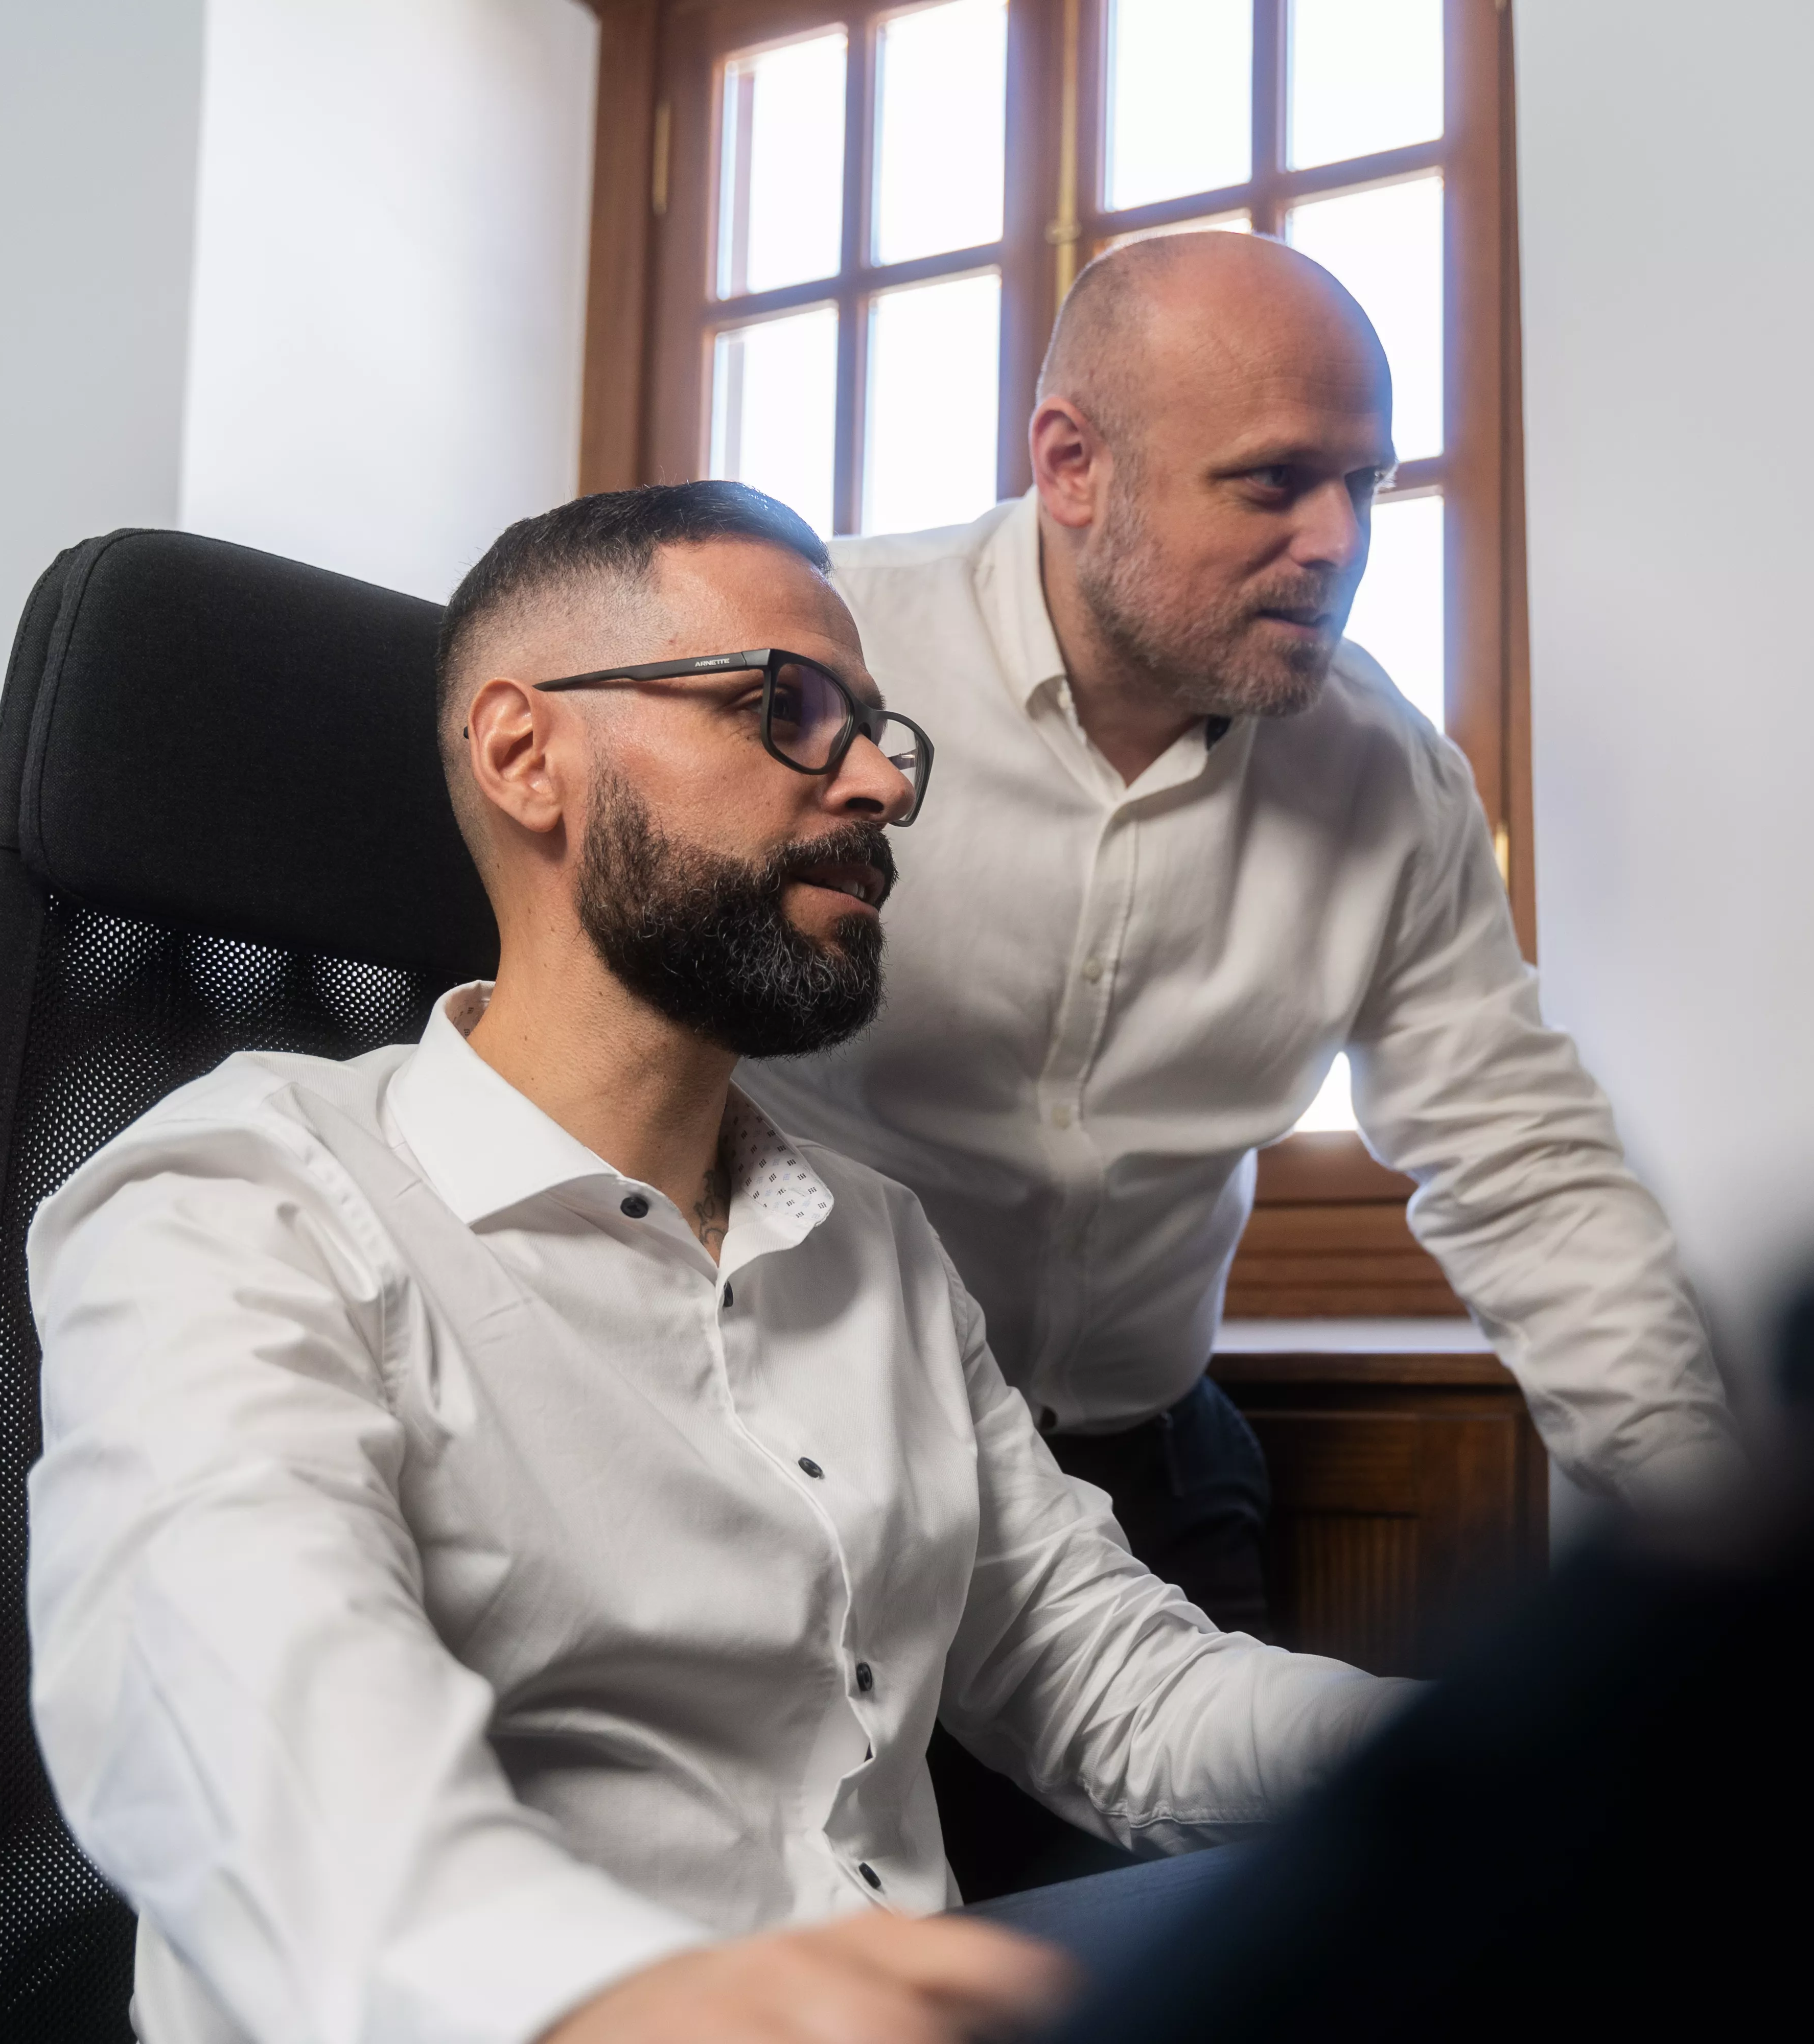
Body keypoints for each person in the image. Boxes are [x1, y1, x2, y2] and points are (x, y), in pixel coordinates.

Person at [21, 483, 1407, 2044]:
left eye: (883, 730)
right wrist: (605, 1999)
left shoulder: (874, 1246)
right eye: (791, 709)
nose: (880, 780)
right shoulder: (241, 1201)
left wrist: (1498, 1747)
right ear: (524, 755)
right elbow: (246, 1699)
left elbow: (1113, 1690)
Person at [741, 231, 1740, 1640]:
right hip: (801, 1449)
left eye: (1364, 485)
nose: (1338, 542)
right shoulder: (822, 676)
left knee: (1225, 1859)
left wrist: (1715, 1540)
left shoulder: (1389, 780)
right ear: (1074, 465)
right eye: (1274, 481)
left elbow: (1525, 1168)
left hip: (1145, 1471)